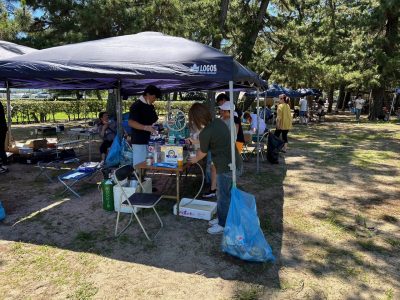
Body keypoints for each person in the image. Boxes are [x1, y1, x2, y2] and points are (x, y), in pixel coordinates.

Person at [187, 103, 242, 235]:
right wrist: (195, 142)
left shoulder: (205, 132)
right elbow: (213, 140)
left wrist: (193, 159)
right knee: (224, 195)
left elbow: (202, 153)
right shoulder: (218, 122)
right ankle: (221, 218)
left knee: (223, 196)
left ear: (196, 119)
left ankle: (222, 224)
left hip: (226, 168)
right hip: (235, 163)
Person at [128, 85, 161, 166]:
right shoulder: (136, 105)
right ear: (148, 94)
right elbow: (131, 122)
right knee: (139, 164)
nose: (154, 100)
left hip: (150, 140)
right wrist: (145, 127)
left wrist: (159, 126)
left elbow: (154, 120)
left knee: (149, 162)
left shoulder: (150, 106)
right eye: (154, 97)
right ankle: (138, 178)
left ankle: (143, 178)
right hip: (139, 141)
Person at [0, 101, 8, 174]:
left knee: (0, 148)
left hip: (1, 129)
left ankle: (4, 166)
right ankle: (4, 165)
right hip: (2, 128)